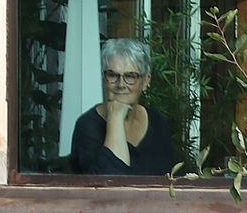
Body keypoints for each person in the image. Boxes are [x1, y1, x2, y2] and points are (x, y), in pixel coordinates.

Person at [70, 38, 176, 176]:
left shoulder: (157, 122)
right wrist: (115, 117)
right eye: (113, 75)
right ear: (104, 79)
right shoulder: (88, 125)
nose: (121, 84)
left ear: (146, 81)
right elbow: (109, 184)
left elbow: (171, 180)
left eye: (130, 76)